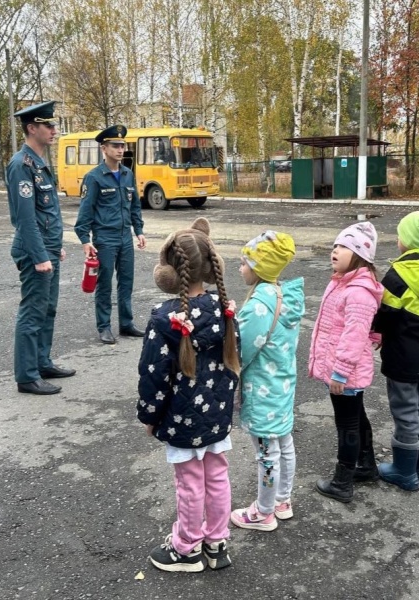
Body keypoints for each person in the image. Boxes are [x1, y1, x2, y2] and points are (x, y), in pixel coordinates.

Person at [136, 217, 240, 573]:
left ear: (170, 270)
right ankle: (217, 542)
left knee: (190, 484)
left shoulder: (166, 318)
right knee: (217, 477)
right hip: (217, 418)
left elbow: (153, 374)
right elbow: (232, 363)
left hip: (181, 420)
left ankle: (186, 548)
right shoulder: (224, 309)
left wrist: (150, 416)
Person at [230, 231, 304, 531]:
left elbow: (241, 351)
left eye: (245, 263)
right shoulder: (283, 295)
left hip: (262, 390)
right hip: (282, 386)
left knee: (266, 453)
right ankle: (282, 500)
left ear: (259, 267)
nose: (240, 268)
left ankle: (263, 512)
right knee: (284, 444)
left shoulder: (259, 306)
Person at [374, 211, 419, 491]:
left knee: (405, 409)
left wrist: (374, 331)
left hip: (403, 355)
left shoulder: (398, 275)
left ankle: (404, 470)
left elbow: (385, 314)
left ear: (406, 241)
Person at [309, 223, 384, 503]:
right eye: (335, 246)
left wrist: (339, 373)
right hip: (344, 368)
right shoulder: (343, 282)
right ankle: (367, 466)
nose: (335, 251)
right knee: (357, 417)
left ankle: (342, 482)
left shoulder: (358, 291)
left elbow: (355, 334)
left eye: (344, 247)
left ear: (360, 255)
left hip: (346, 371)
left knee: (347, 423)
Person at [6, 100, 75, 395]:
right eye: (48, 125)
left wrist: (54, 246)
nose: (54, 130)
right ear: (31, 128)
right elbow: (24, 218)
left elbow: (47, 213)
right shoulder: (21, 165)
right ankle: (27, 375)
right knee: (33, 312)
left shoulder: (41, 164)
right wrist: (39, 255)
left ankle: (42, 362)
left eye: (54, 125)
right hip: (35, 252)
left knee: (48, 310)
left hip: (47, 248)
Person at [75, 125, 146, 344]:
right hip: (105, 238)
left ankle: (126, 324)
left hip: (125, 236)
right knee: (104, 283)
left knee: (126, 281)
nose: (120, 149)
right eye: (115, 145)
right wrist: (85, 239)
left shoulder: (127, 174)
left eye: (122, 145)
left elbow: (134, 206)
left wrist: (139, 231)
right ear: (104, 149)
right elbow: (85, 211)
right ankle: (104, 327)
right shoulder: (94, 177)